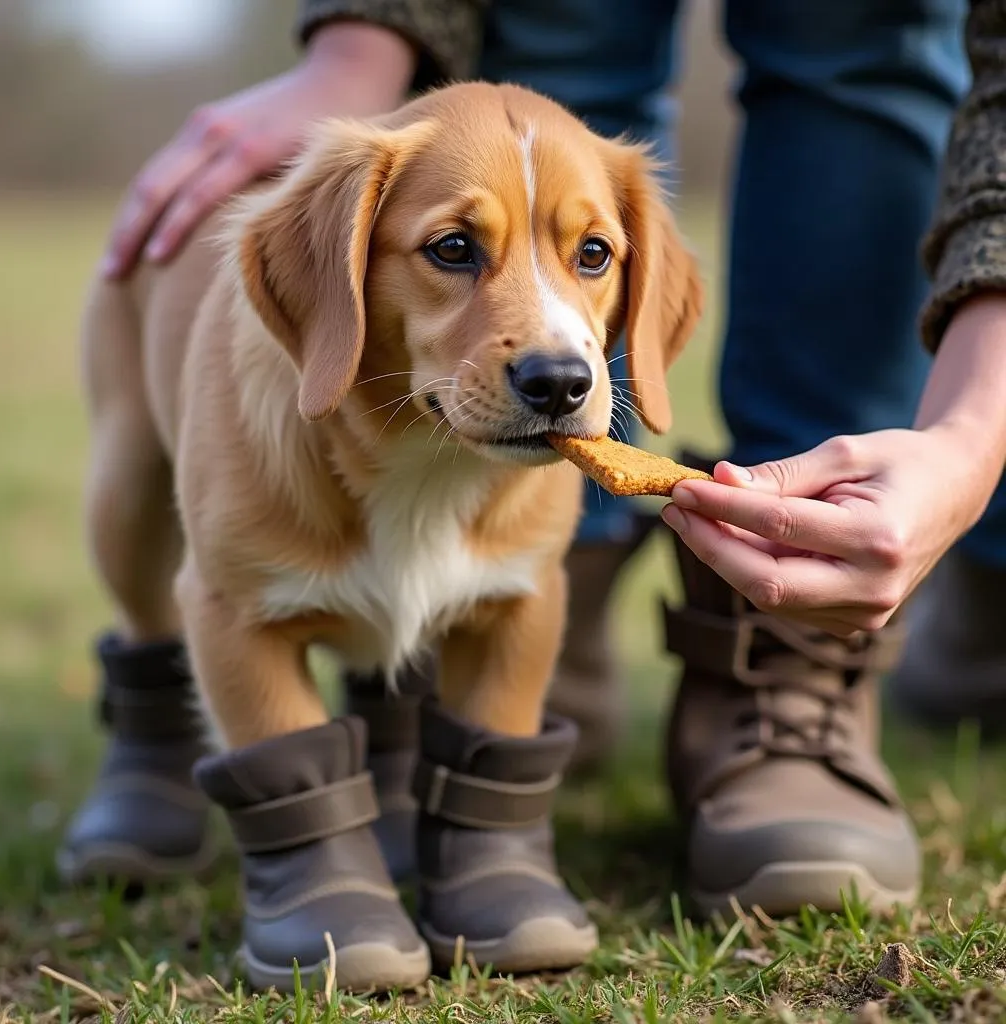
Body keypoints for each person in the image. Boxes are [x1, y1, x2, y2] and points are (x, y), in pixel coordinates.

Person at [60, 0, 1006, 921]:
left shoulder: (562, 406)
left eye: (593, 254)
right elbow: (229, 606)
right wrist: (359, 39)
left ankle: (528, 789)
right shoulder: (313, 264)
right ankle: (154, 736)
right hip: (229, 361)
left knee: (860, 30)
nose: (555, 356)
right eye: (455, 250)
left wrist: (969, 437)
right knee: (142, 530)